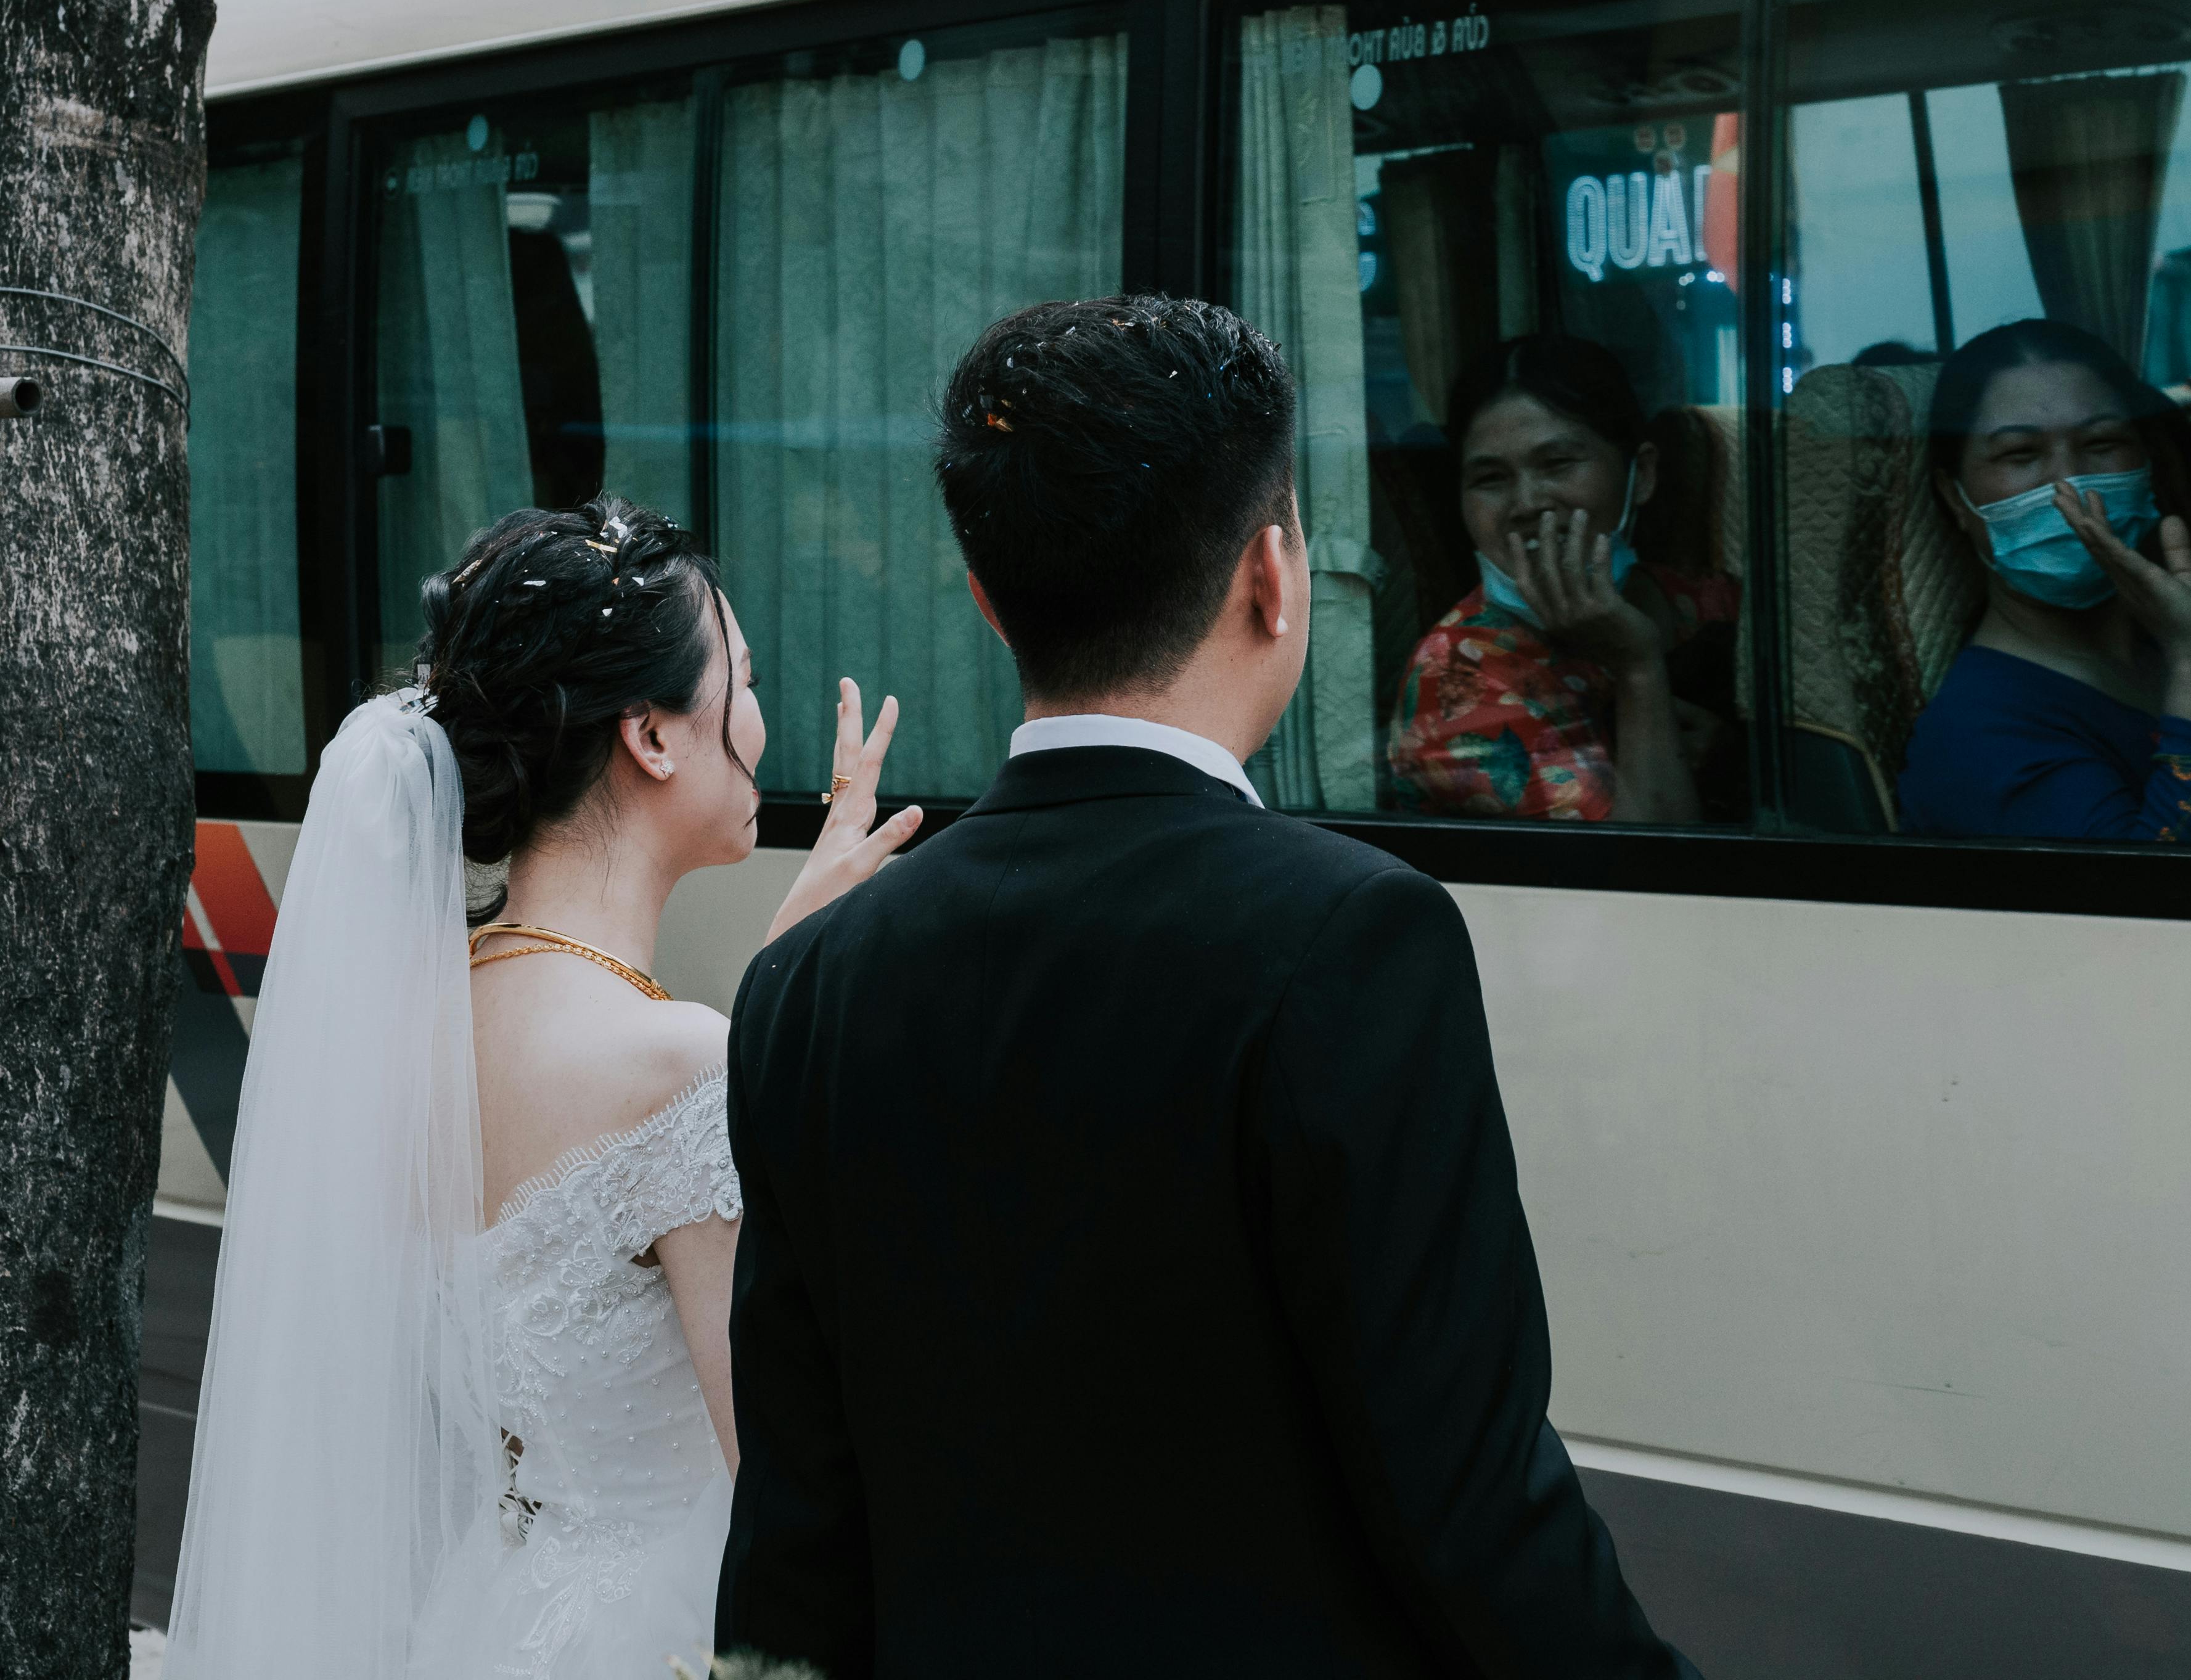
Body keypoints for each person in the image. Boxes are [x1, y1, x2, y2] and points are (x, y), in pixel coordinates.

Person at [716, 296, 1696, 1679]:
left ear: (987, 599)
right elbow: (1467, 1499)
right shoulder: (1354, 933)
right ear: (1273, 577)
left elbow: (796, 1527)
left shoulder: (806, 979)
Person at [167, 498, 919, 1680]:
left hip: (498, 1613)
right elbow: (778, 1468)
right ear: (655, 737)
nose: (764, 724)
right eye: (745, 678)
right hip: (665, 1633)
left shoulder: (417, 1030)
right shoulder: (679, 1065)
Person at [1895, 319, 2191, 845]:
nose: (2071, 488)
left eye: (2102, 443)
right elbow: (2168, 908)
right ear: (1954, 499)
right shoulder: (1977, 733)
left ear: (2146, 466)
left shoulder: (2179, 648)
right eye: (2020, 454)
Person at [1386, 335, 1738, 823]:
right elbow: (1647, 879)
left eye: (1558, 464)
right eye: (1490, 479)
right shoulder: (1457, 679)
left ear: (1644, 475)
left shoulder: (1706, 602)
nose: (1528, 504)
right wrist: (1638, 668)